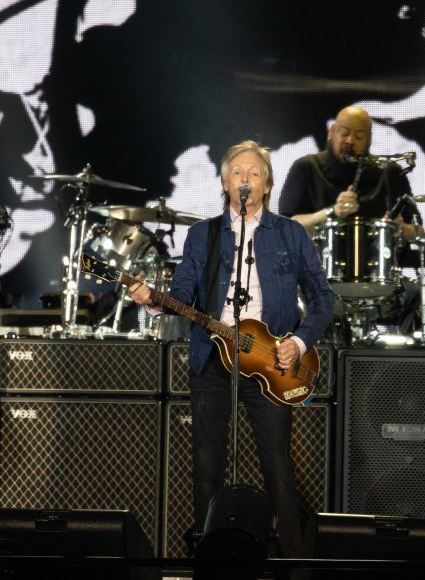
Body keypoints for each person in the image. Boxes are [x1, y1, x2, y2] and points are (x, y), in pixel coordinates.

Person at [127, 140, 335, 556]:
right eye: (237, 173)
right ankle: (212, 564)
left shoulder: (291, 233)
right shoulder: (202, 235)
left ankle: (292, 567)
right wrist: (153, 301)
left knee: (277, 465)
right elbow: (183, 293)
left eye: (254, 174)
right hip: (212, 357)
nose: (245, 179)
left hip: (271, 361)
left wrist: (297, 342)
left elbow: (323, 297)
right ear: (225, 183)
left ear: (267, 185)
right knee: (207, 465)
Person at [279, 105, 421, 240]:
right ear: (331, 132)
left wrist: (399, 228)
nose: (350, 141)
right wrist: (333, 211)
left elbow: (419, 232)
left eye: (359, 136)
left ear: (369, 140)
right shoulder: (306, 167)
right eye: (344, 133)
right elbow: (286, 227)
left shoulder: (389, 171)